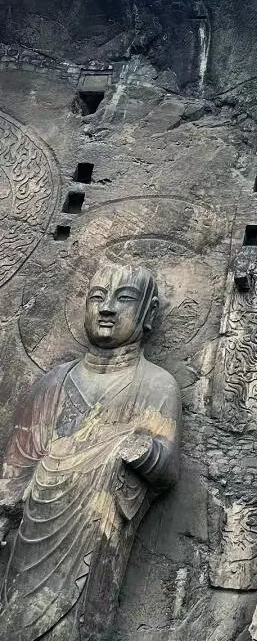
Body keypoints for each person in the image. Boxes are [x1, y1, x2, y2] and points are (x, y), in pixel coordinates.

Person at [0, 263, 181, 641]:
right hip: (34, 533)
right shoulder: (52, 383)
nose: (107, 308)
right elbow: (14, 474)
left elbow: (166, 470)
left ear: (148, 313)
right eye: (98, 297)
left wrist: (138, 449)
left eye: (124, 298)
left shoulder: (156, 384)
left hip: (97, 532)